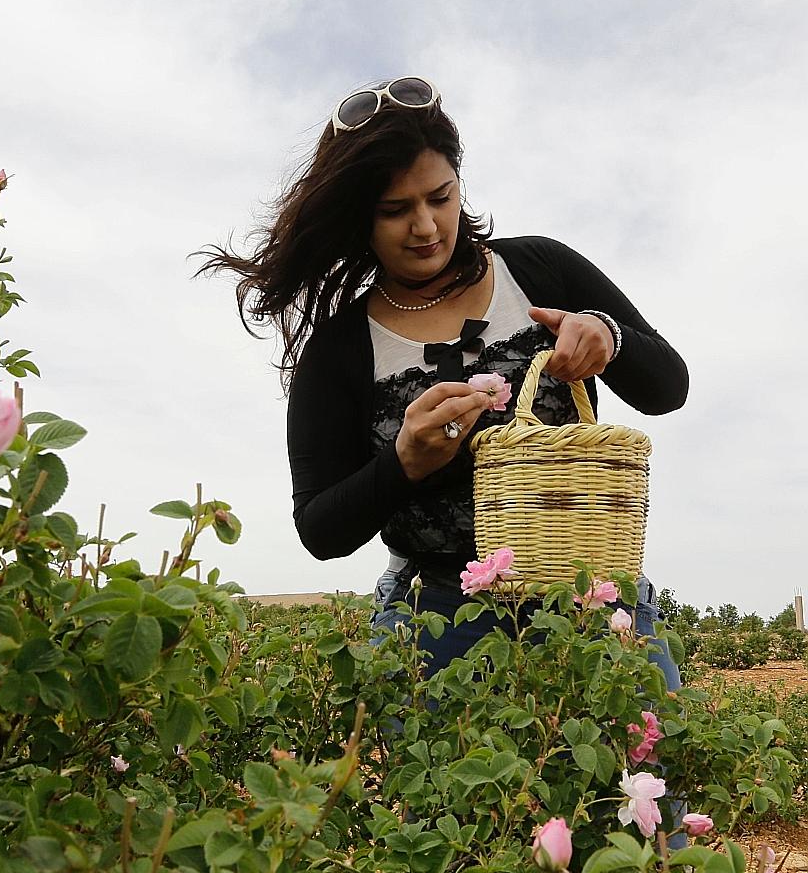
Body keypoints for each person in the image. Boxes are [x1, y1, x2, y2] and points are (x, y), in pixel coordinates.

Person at [197, 76, 689, 685]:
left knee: (634, 776)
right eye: (395, 210)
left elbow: (669, 387)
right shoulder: (340, 348)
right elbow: (320, 529)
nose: (426, 227)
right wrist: (404, 462)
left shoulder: (538, 269)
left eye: (441, 197)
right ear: (360, 220)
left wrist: (609, 337)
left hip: (592, 600)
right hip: (435, 620)